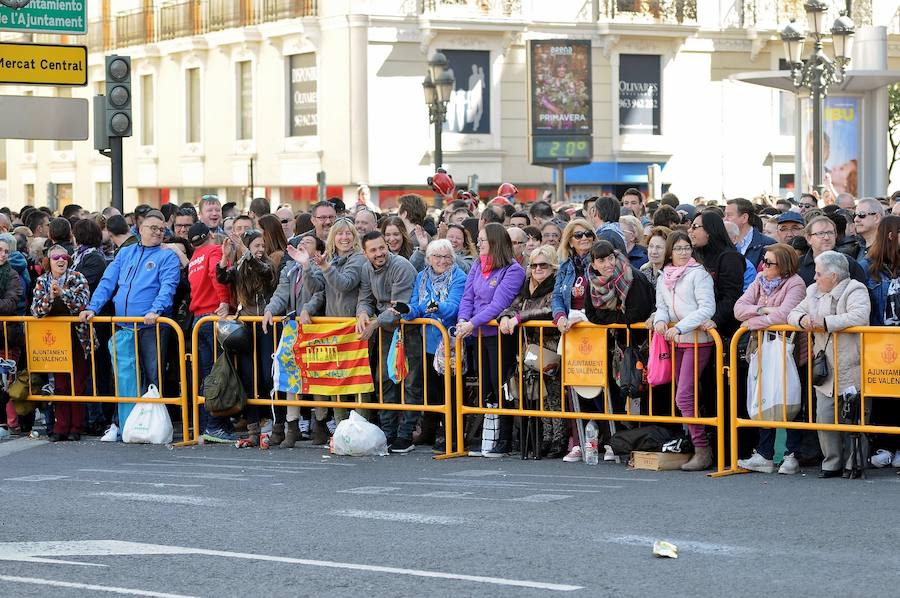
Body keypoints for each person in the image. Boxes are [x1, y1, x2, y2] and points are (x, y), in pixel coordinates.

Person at [788, 251, 871, 478]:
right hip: (824, 367)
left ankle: (854, 463)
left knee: (854, 418)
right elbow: (793, 313)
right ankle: (831, 462)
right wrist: (802, 320)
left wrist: (825, 323)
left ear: (833, 276)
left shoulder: (855, 289)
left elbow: (859, 316)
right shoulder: (813, 291)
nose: (814, 277)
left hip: (852, 364)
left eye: (818, 273)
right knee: (824, 416)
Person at [81, 211, 181, 396]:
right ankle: (121, 422)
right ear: (140, 230)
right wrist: (92, 307)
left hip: (152, 326)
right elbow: (107, 282)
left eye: (162, 229)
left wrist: (155, 311)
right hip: (123, 326)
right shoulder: (126, 252)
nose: (158, 232)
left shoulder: (167, 256)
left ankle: (152, 422)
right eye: (153, 228)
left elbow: (168, 287)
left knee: (153, 376)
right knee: (123, 377)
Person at [734, 243, 807, 474]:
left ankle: (791, 454)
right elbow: (738, 308)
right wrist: (762, 312)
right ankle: (764, 455)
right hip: (763, 349)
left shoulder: (795, 283)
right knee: (765, 397)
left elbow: (784, 315)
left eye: (769, 262)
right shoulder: (759, 281)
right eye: (763, 260)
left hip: (791, 351)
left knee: (789, 399)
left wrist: (753, 319)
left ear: (783, 265)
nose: (763, 265)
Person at [457, 223, 525, 457]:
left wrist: (471, 322)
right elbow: (468, 296)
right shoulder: (477, 265)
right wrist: (463, 319)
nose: (478, 243)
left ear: (495, 243)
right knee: (485, 386)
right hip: (477, 334)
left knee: (502, 385)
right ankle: (489, 435)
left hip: (498, 335)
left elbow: (499, 305)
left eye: (483, 240)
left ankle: (504, 438)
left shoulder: (513, 270)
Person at [653, 231, 716, 471]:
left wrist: (680, 327)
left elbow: (707, 308)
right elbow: (662, 307)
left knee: (684, 397)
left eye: (686, 247)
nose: (683, 252)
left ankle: (702, 450)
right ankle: (696, 443)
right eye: (678, 248)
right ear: (670, 251)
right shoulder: (664, 276)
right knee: (684, 397)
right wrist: (660, 320)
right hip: (676, 341)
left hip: (697, 340)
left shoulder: (698, 274)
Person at [498, 245, 566, 457]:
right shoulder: (527, 286)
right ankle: (545, 437)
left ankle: (559, 439)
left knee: (555, 396)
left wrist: (521, 318)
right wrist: (506, 317)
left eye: (543, 265)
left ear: (553, 267)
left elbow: (549, 311)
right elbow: (513, 306)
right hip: (531, 347)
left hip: (552, 346)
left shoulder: (557, 284)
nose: (537, 269)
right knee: (540, 394)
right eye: (534, 265)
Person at [305, 218, 369, 443]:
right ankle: (342, 432)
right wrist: (306, 266)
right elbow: (317, 289)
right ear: (333, 238)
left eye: (348, 233)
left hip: (354, 329)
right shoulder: (329, 259)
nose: (344, 237)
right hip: (334, 330)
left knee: (359, 383)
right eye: (340, 234)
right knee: (337, 383)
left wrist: (324, 267)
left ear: (355, 237)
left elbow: (345, 283)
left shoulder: (359, 259)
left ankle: (361, 433)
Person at [355, 231, 418, 453]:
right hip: (385, 330)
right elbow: (364, 298)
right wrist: (362, 312)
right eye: (373, 250)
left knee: (410, 382)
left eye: (382, 248)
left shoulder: (401, 266)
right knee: (384, 380)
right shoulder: (365, 268)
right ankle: (388, 432)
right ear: (365, 253)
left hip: (408, 330)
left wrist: (372, 324)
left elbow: (399, 307)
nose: (379, 253)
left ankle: (405, 435)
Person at [216, 229, 279, 448]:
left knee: (268, 377)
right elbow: (223, 277)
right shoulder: (241, 265)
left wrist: (245, 251)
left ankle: (272, 424)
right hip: (244, 327)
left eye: (263, 246)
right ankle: (253, 428)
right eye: (256, 246)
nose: (261, 250)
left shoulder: (268, 265)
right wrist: (225, 256)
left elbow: (263, 273)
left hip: (265, 326)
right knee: (248, 378)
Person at [401, 239, 466, 452]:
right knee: (431, 390)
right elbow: (416, 306)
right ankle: (429, 430)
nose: (442, 261)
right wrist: (407, 311)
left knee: (450, 391)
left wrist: (436, 306)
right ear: (428, 259)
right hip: (427, 341)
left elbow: (455, 308)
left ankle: (451, 433)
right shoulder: (421, 277)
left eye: (446, 256)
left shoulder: (459, 277)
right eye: (437, 256)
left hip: (450, 341)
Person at [262, 240, 325, 448]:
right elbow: (280, 293)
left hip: (316, 329)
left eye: (309, 242)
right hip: (293, 330)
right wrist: (270, 309)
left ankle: (321, 424)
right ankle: (292, 426)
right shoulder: (289, 269)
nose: (303, 245)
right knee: (291, 377)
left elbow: (319, 293)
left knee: (317, 378)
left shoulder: (321, 265)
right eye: (301, 242)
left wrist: (308, 308)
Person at [31, 246, 94, 442]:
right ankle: (60, 427)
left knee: (78, 382)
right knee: (59, 384)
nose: (61, 259)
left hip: (78, 337)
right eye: (56, 257)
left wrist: (63, 293)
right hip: (54, 339)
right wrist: (50, 297)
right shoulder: (42, 281)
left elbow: (82, 304)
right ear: (48, 260)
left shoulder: (77, 277)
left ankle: (76, 426)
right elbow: (36, 310)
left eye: (64, 256)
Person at [185, 223, 234, 443]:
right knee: (218, 374)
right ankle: (215, 426)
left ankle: (207, 425)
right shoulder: (214, 251)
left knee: (207, 374)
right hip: (213, 317)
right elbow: (217, 275)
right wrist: (224, 301)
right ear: (212, 235)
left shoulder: (194, 258)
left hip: (199, 320)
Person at [688, 211, 744, 340]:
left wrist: (715, 320)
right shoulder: (694, 255)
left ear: (709, 231)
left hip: (721, 331)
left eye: (695, 227)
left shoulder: (730, 258)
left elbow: (731, 296)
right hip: (695, 328)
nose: (690, 231)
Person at [585, 240, 654, 327]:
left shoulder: (631, 278)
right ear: (594, 265)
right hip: (609, 336)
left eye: (610, 258)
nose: (608, 264)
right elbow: (590, 314)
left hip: (637, 334)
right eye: (601, 261)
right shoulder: (593, 282)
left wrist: (602, 314)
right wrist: (612, 318)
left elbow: (636, 315)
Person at [552, 219, 596, 335]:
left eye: (588, 234)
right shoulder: (565, 266)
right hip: (571, 327)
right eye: (578, 235)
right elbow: (557, 296)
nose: (584, 238)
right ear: (570, 242)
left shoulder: (602, 262)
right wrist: (560, 317)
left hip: (596, 325)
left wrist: (583, 317)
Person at [798, 216, 867, 286]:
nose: (826, 237)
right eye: (820, 233)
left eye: (830, 233)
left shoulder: (849, 263)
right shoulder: (798, 265)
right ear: (809, 238)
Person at [725, 198, 776, 268]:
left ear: (744, 218)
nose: (725, 219)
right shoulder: (722, 242)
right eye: (725, 215)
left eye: (729, 215)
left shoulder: (768, 244)